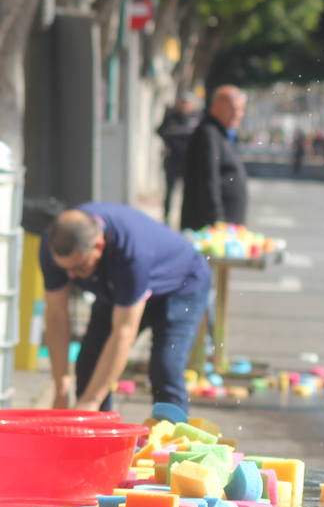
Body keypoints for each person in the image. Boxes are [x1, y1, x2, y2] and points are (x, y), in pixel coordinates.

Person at [40, 205, 211, 413]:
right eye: (64, 269)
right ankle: (99, 438)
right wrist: (61, 388)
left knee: (165, 368)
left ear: (99, 246)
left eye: (79, 267)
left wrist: (91, 401)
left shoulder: (131, 253)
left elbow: (124, 332)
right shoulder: (54, 246)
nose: (72, 276)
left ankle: (172, 438)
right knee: (89, 366)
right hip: (116, 289)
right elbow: (56, 318)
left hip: (180, 287)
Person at [181, 85, 249, 232]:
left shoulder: (221, 133)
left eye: (241, 109)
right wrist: (217, 221)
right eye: (233, 108)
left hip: (226, 228)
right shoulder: (209, 134)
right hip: (213, 229)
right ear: (215, 107)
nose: (238, 114)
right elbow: (209, 180)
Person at [156, 92, 198, 224]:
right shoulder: (171, 117)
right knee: (170, 191)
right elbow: (160, 131)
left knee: (189, 193)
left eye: (187, 103)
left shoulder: (195, 118)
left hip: (189, 162)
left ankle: (186, 219)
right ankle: (166, 218)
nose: (185, 106)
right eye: (182, 103)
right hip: (172, 159)